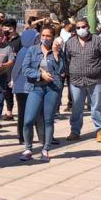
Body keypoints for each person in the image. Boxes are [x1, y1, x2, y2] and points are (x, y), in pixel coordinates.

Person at [18, 24, 64, 161]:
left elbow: (61, 70)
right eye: (43, 35)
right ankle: (28, 148)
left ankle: (46, 149)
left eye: (48, 36)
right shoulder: (32, 50)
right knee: (28, 120)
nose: (45, 38)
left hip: (52, 88)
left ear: (53, 37)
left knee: (48, 120)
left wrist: (56, 54)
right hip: (35, 87)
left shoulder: (59, 51)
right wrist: (39, 74)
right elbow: (25, 69)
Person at [64, 18, 101, 142]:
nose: (81, 30)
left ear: (88, 26)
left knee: (96, 106)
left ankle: (100, 130)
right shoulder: (70, 42)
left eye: (83, 27)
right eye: (78, 28)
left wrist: (100, 70)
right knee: (77, 107)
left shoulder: (98, 40)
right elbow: (67, 59)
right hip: (76, 80)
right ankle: (75, 131)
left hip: (96, 79)